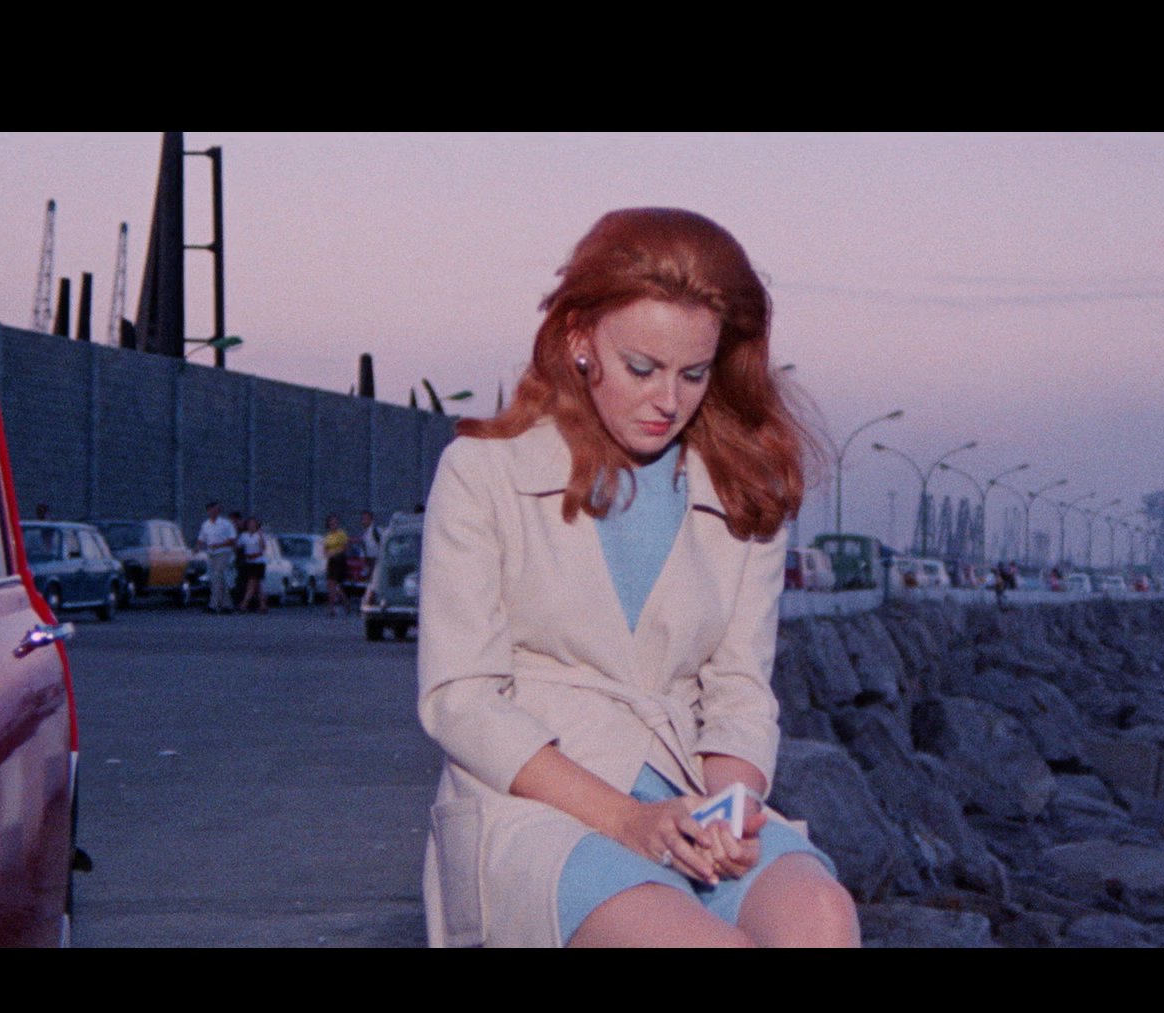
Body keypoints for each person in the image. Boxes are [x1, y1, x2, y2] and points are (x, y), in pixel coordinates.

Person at [418, 207, 858, 948]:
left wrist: (730, 813)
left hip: (684, 794)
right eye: (642, 369)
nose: (668, 401)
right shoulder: (482, 472)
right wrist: (627, 819)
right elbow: (460, 700)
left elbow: (739, 689)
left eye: (694, 374)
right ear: (578, 338)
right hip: (537, 808)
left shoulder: (743, 489)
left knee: (820, 916)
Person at [195, 501, 237, 613]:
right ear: (208, 511)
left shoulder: (226, 524)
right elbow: (201, 539)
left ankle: (213, 605)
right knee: (218, 578)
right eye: (211, 510)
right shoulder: (206, 525)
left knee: (217, 575)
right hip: (211, 554)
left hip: (223, 553)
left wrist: (218, 545)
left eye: (216, 510)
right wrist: (197, 547)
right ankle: (227, 605)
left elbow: (232, 540)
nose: (213, 512)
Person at [237, 516, 270, 614]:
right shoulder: (244, 535)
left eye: (253, 524)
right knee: (258, 585)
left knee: (252, 584)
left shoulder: (259, 535)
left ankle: (244, 604)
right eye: (249, 524)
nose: (251, 526)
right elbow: (238, 546)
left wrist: (260, 535)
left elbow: (263, 548)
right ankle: (263, 605)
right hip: (249, 561)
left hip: (258, 562)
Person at [322, 514, 350, 616]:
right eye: (331, 523)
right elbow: (325, 550)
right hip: (331, 561)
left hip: (339, 560)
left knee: (334, 584)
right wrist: (328, 554)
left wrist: (335, 552)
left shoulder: (341, 534)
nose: (333, 524)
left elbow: (346, 547)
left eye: (335, 522)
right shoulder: (328, 536)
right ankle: (339, 605)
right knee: (332, 585)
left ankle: (334, 607)